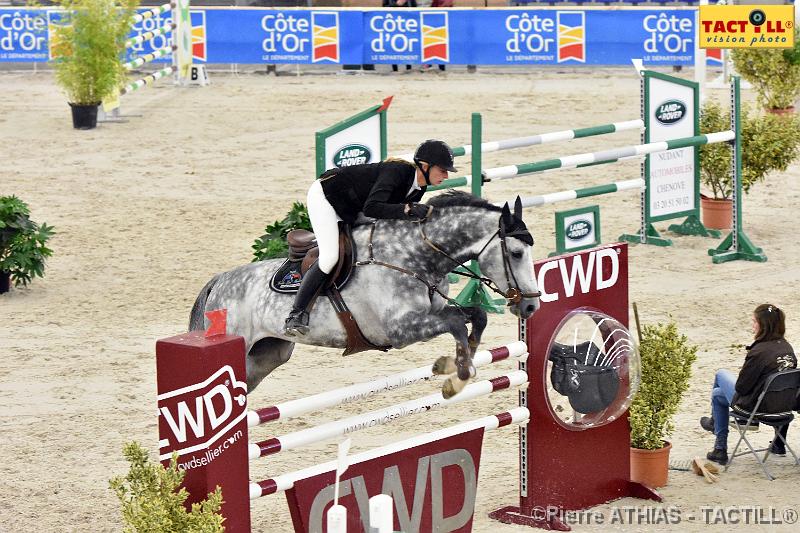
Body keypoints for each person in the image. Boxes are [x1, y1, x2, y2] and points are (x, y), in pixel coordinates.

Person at [283, 140, 457, 336]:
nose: (446, 175)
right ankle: (296, 314)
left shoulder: (419, 187)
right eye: (442, 170)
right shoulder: (397, 171)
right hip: (328, 198)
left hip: (354, 205)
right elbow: (372, 208)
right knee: (330, 256)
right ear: (425, 166)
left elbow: (392, 218)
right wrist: (407, 209)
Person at [700, 304, 797, 464]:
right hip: (783, 408)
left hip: (757, 409)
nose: (752, 325)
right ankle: (779, 443)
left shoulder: (758, 352)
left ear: (763, 325)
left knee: (719, 382)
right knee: (781, 388)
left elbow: (741, 388)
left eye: (754, 321)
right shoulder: (788, 349)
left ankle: (719, 446)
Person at [383, 0, 417, 73]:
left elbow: (415, 7)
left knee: (407, 45)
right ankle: (395, 69)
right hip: (392, 23)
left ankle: (408, 68)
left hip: (407, 23)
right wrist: (396, 4)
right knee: (393, 45)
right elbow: (384, 8)